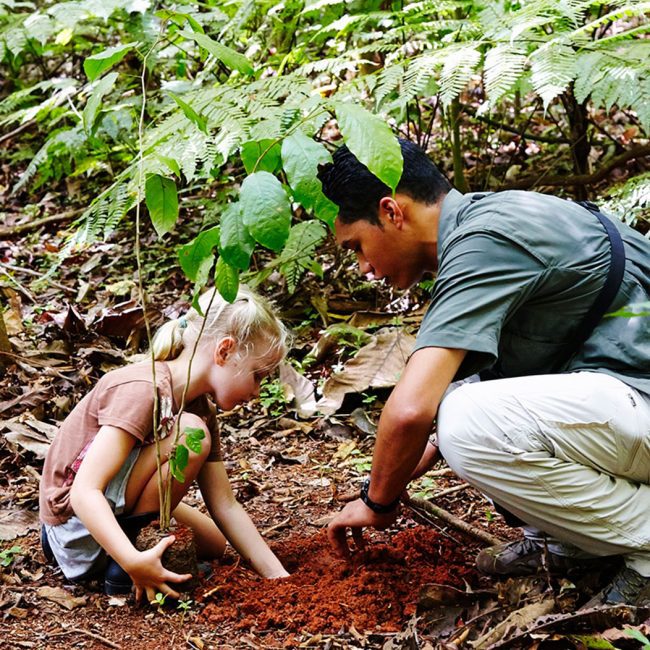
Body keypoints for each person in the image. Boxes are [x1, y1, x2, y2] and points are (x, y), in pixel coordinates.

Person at [317, 138, 650, 607]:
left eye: (358, 247)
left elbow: (411, 409)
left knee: (468, 423)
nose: (364, 267)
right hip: (632, 398)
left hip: (639, 399)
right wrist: (407, 465)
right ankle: (574, 543)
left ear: (392, 212)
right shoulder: (493, 222)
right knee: (466, 403)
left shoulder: (485, 242)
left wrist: (377, 503)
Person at [39, 286, 290, 604]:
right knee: (190, 436)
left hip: (111, 507)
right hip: (74, 529)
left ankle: (134, 547)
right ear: (224, 351)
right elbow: (83, 491)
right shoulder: (144, 389)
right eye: (258, 375)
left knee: (213, 543)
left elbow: (225, 504)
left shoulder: (199, 406)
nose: (257, 390)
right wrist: (133, 562)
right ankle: (122, 568)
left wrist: (279, 578)